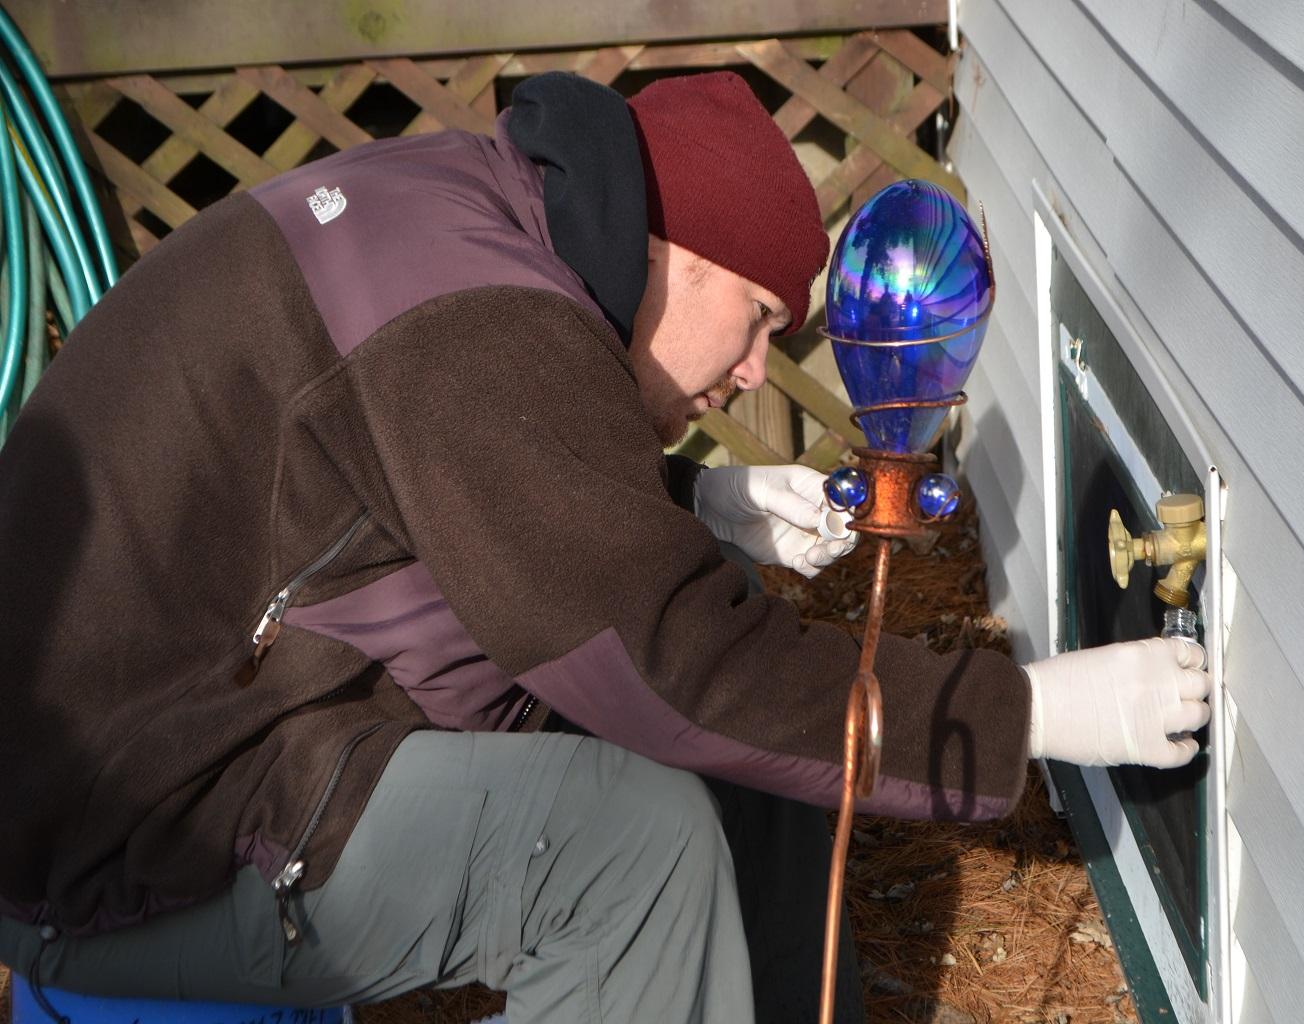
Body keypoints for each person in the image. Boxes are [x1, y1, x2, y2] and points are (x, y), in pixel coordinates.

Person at [0, 70, 1211, 1022]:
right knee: (628, 852)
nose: (750, 371)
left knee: (718, 626)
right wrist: (1028, 713)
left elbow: (435, 484)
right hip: (132, 831)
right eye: (756, 323)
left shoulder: (481, 215)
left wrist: (696, 505)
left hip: (220, 706)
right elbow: (678, 665)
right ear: (676, 260)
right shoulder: (484, 330)